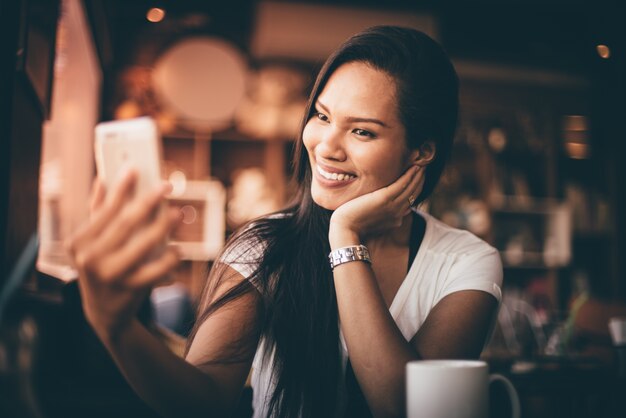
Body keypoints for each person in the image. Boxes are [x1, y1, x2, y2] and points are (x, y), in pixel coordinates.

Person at [66, 26, 502, 418]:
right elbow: (202, 401)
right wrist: (117, 328)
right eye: (322, 116)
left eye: (362, 131)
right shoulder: (260, 246)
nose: (325, 145)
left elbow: (402, 408)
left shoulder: (465, 263)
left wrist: (344, 236)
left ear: (421, 151)